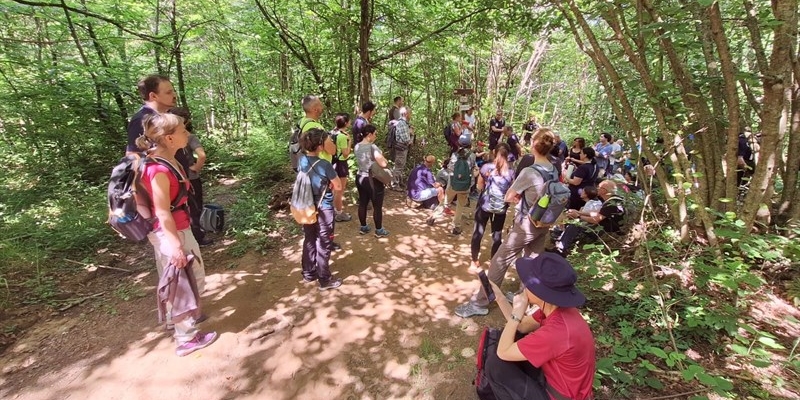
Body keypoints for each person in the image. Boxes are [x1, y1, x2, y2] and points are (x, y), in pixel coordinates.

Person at [136, 113, 217, 356]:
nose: (188, 133)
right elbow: (162, 211)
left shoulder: (166, 160)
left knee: (181, 279)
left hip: (175, 228)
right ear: (170, 138)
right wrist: (176, 247)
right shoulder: (158, 169)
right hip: (172, 232)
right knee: (187, 282)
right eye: (183, 130)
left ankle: (176, 320)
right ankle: (186, 338)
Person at [455, 128, 557, 318]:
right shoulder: (553, 168)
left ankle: (480, 302)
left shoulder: (529, 171)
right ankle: (524, 299)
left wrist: (520, 198)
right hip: (544, 224)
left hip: (526, 224)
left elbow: (509, 196)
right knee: (533, 261)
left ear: (534, 145)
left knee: (499, 260)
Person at [482, 254, 596, 400]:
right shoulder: (559, 311)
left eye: (528, 284)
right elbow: (522, 326)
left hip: (559, 396)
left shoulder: (557, 332)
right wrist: (500, 298)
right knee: (514, 336)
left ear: (541, 293)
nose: (524, 287)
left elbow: (503, 352)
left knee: (495, 365)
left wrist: (517, 312)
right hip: (556, 379)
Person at [296, 128, 343, 290]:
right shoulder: (324, 165)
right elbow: (337, 185)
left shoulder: (301, 160)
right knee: (323, 242)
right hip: (323, 208)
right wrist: (330, 183)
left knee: (309, 238)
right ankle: (324, 279)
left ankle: (308, 273)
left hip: (306, 206)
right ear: (320, 146)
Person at [167, 107, 213, 247]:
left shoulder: (165, 140)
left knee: (178, 208)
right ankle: (198, 237)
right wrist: (196, 168)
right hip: (191, 179)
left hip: (173, 179)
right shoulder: (189, 136)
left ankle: (185, 237)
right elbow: (202, 155)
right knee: (194, 207)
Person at [470, 143, 515, 270]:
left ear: (494, 152)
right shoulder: (511, 172)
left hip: (484, 204)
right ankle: (493, 261)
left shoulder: (486, 168)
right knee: (497, 235)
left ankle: (474, 261)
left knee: (478, 232)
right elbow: (511, 192)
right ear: (508, 155)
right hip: (501, 208)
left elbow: (479, 186)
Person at [554, 180, 625, 256]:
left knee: (575, 225)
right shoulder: (614, 200)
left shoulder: (611, 203)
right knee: (575, 223)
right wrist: (579, 212)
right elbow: (598, 214)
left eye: (599, 187)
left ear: (604, 190)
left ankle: (561, 249)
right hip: (607, 227)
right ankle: (560, 240)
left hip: (606, 231)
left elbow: (596, 220)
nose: (597, 189)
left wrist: (578, 216)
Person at [354, 124, 390, 238]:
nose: (376, 136)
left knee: (363, 203)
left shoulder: (357, 146)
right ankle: (379, 230)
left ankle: (363, 227)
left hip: (360, 177)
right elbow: (383, 163)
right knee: (377, 206)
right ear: (369, 134)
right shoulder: (372, 147)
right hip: (372, 179)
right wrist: (383, 157)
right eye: (375, 134)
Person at [126, 75, 176, 156]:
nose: (174, 95)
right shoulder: (141, 119)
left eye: (173, 91)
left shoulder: (167, 115)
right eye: (169, 92)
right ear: (153, 96)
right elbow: (132, 156)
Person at [446, 143, 477, 235]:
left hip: (453, 183)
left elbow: (450, 168)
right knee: (460, 206)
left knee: (446, 201)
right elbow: (473, 169)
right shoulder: (472, 155)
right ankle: (456, 226)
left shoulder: (454, 154)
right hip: (465, 185)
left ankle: (433, 217)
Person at [331, 113, 353, 222]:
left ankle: (334, 210)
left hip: (333, 163)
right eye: (349, 120)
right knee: (339, 190)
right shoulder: (343, 136)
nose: (350, 122)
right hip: (341, 164)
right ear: (345, 123)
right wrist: (350, 143)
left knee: (335, 189)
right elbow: (345, 153)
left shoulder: (333, 133)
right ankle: (339, 213)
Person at [566, 146, 599, 211]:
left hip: (578, 193)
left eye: (581, 153)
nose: (579, 155)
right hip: (588, 191)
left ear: (585, 155)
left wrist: (567, 178)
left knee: (573, 209)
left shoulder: (583, 167)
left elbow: (576, 182)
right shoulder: (595, 166)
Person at [391, 107, 413, 191]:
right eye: (410, 113)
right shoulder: (402, 123)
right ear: (405, 114)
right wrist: (411, 134)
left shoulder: (404, 123)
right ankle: (395, 184)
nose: (411, 115)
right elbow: (406, 140)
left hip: (402, 148)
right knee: (399, 166)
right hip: (401, 148)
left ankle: (399, 182)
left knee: (401, 165)